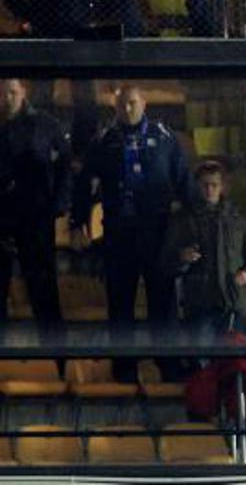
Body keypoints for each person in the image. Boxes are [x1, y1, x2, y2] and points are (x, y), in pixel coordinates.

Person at [70, 85, 194, 382]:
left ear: (144, 103)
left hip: (157, 233)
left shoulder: (165, 139)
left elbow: (185, 184)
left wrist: (196, 227)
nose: (127, 109)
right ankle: (124, 368)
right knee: (120, 303)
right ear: (115, 107)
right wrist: (78, 221)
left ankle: (168, 365)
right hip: (119, 234)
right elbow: (84, 183)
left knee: (162, 303)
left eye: (132, 103)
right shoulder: (105, 141)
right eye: (122, 105)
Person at [0, 79, 69, 336]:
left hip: (35, 217)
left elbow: (64, 167)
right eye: (3, 93)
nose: (8, 98)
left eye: (12, 92)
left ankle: (56, 353)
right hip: (2, 218)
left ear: (23, 92)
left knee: (43, 290)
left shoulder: (45, 125)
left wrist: (57, 206)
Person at [163, 161, 246, 336]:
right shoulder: (184, 220)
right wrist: (182, 257)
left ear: (222, 187)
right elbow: (166, 260)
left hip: (233, 303)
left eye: (214, 185)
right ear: (197, 186)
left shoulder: (237, 220)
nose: (209, 190)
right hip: (200, 305)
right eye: (205, 185)